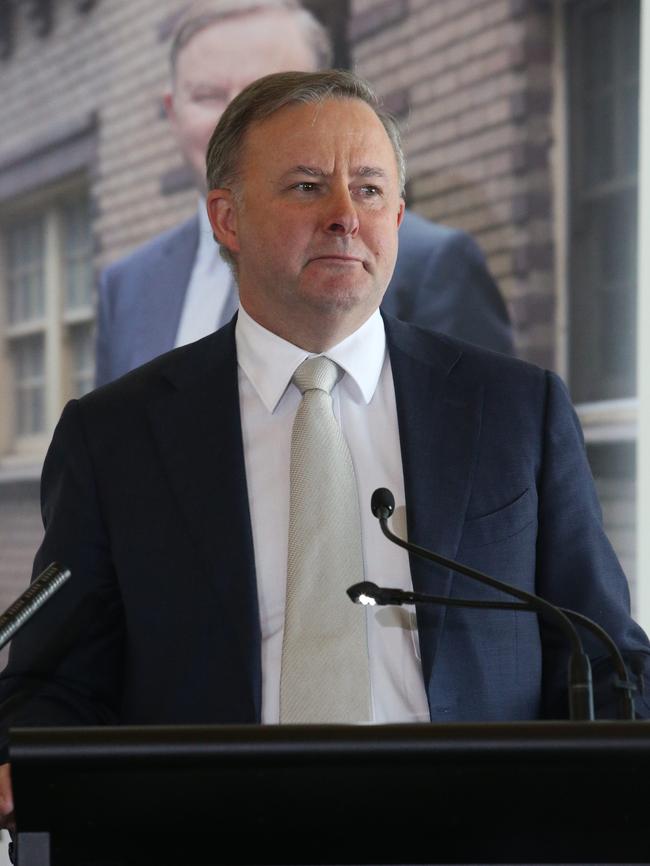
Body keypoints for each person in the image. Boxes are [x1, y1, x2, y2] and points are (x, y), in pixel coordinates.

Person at [0, 69, 648, 827]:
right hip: (209, 841)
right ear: (227, 219)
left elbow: (603, 658)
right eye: (308, 187)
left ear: (399, 216)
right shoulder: (117, 436)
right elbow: (56, 685)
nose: (345, 215)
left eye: (370, 190)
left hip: (473, 837)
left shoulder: (513, 408)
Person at [94, 0, 513, 389]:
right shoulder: (127, 287)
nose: (235, 118)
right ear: (172, 110)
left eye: (270, 93)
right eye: (208, 95)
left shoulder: (434, 266)